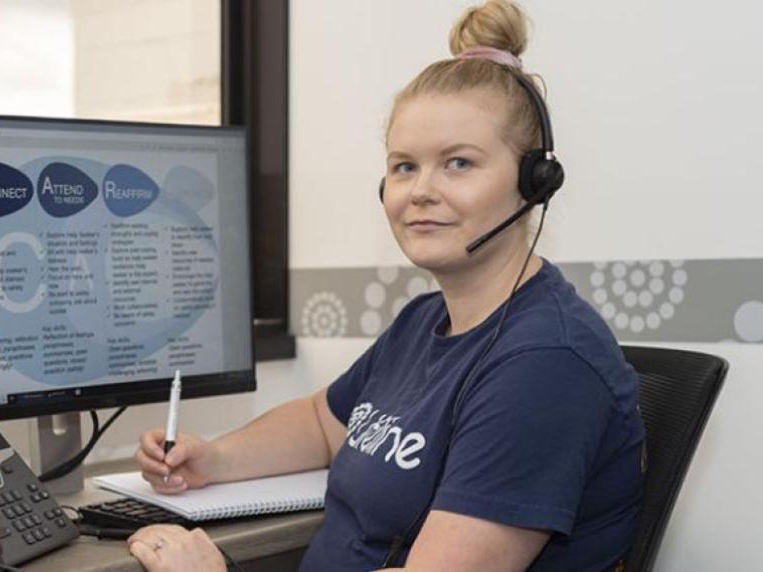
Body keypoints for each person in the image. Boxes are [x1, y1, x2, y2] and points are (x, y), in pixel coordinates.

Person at [126, 1, 645, 570]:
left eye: (458, 163)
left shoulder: (546, 363)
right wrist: (214, 458)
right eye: (404, 166)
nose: (420, 191)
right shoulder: (425, 321)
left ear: (534, 182)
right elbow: (324, 424)